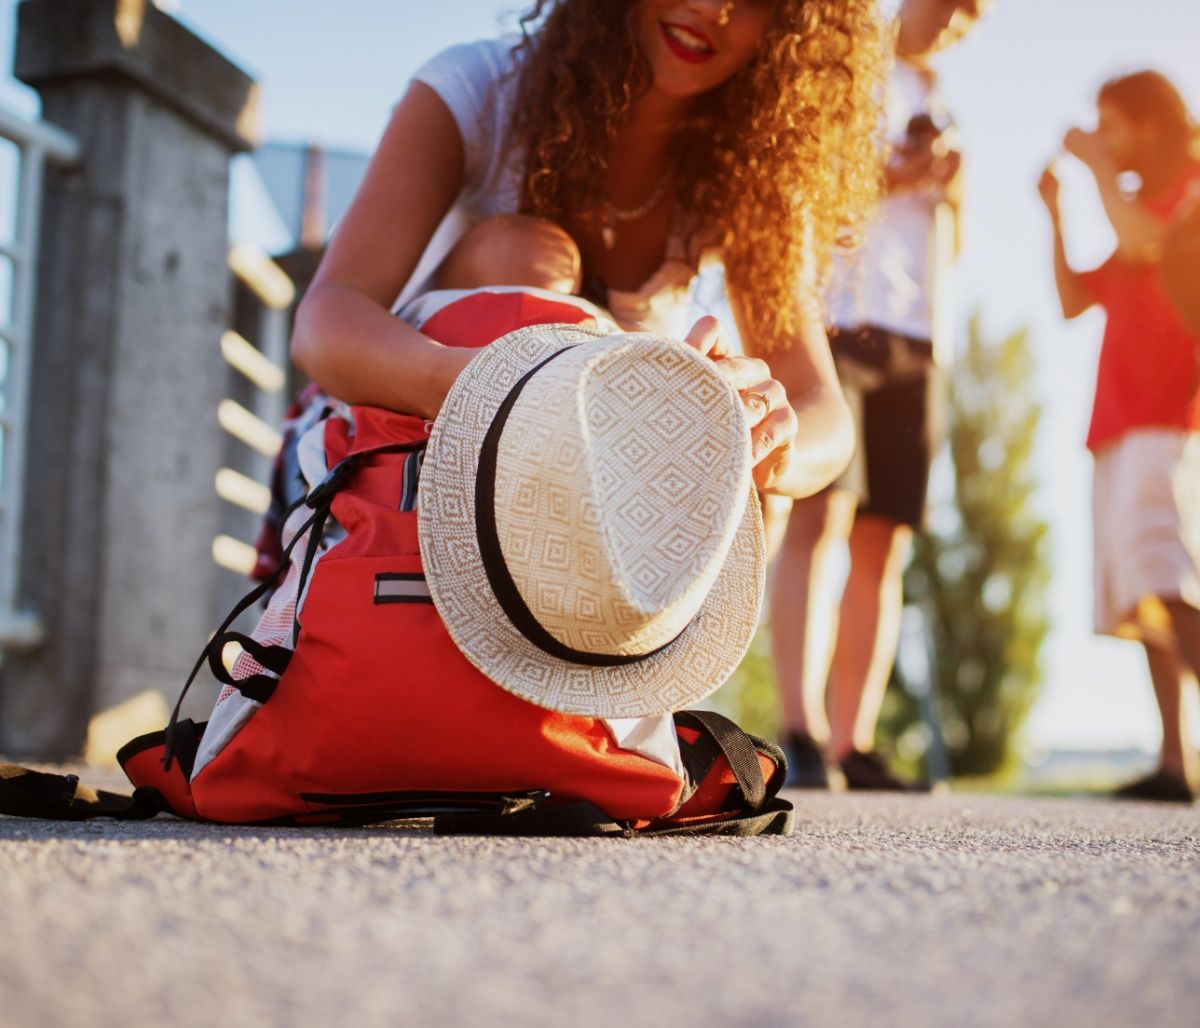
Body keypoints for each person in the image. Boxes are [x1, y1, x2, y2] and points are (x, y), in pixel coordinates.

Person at [290, 0, 887, 524]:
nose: (712, 7)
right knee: (530, 261)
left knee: (756, 478)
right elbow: (325, 323)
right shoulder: (477, 90)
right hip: (384, 465)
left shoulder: (753, 170)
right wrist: (492, 386)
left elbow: (824, 414)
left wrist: (771, 441)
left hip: (585, 515)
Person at [769, 0, 989, 790]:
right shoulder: (849, 74)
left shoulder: (943, 104)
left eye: (970, 21)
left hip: (916, 334)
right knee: (821, 513)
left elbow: (949, 237)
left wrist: (949, 189)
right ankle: (800, 726)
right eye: (950, 8)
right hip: (839, 319)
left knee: (885, 537)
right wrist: (900, 172)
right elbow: (810, 186)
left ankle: (851, 741)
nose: (953, 27)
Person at [1038, 70, 1200, 803]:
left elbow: (1144, 242)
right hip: (1121, 423)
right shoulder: (1130, 202)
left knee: (1171, 586)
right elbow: (1075, 300)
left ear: (1151, 123)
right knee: (1149, 601)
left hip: (1170, 421)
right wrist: (1054, 213)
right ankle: (1176, 763)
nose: (1101, 140)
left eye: (1111, 126)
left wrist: (1095, 168)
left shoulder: (1187, 189)